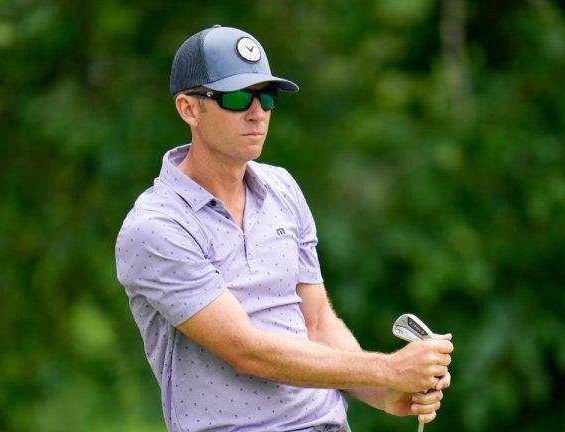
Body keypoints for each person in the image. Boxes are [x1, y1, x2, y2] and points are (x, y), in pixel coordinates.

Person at [115, 25, 453, 432]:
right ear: (189, 109)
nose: (257, 112)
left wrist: (384, 392)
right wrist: (388, 369)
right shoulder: (156, 227)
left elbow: (317, 324)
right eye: (237, 97)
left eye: (266, 96)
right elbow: (247, 350)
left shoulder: (281, 188)